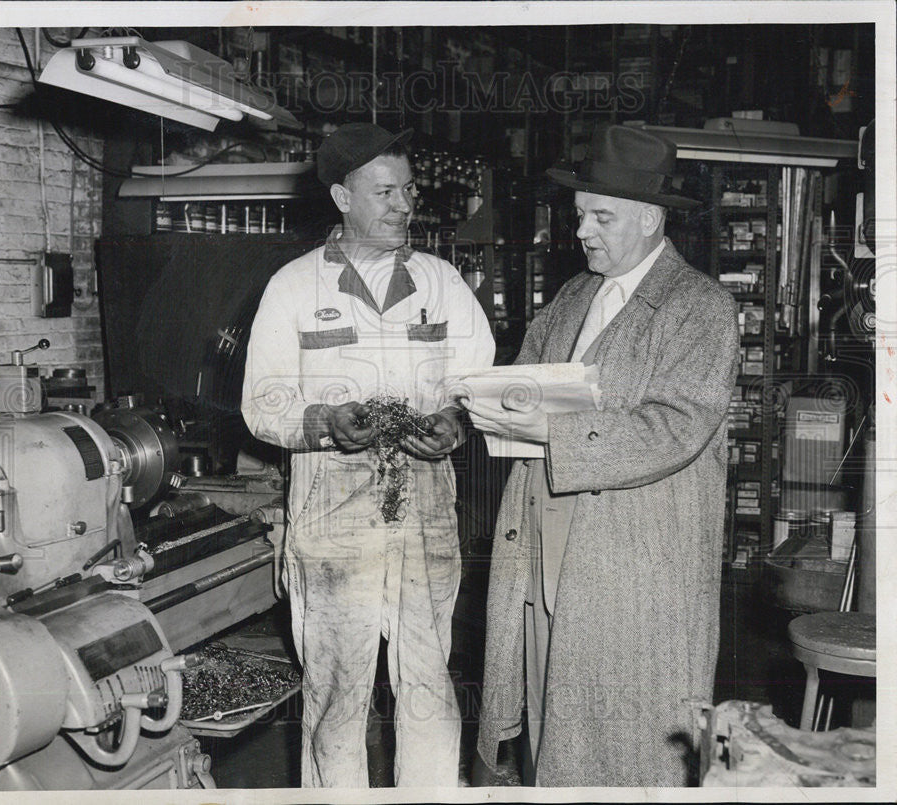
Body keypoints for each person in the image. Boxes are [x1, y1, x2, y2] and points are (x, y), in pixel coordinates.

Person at [468, 125, 739, 787]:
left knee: (633, 742)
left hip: (634, 568)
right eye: (580, 213)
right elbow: (525, 383)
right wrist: (487, 399)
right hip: (541, 551)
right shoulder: (570, 299)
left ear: (651, 219)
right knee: (551, 734)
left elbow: (677, 425)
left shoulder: (699, 307)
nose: (583, 230)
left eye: (601, 216)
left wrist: (551, 430)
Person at [242, 122, 495, 788]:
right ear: (341, 196)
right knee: (335, 695)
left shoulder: (442, 283)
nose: (403, 205)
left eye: (408, 190)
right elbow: (260, 404)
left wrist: (453, 423)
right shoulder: (293, 288)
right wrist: (324, 422)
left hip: (426, 513)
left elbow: (480, 387)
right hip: (334, 521)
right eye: (384, 191)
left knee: (428, 684)